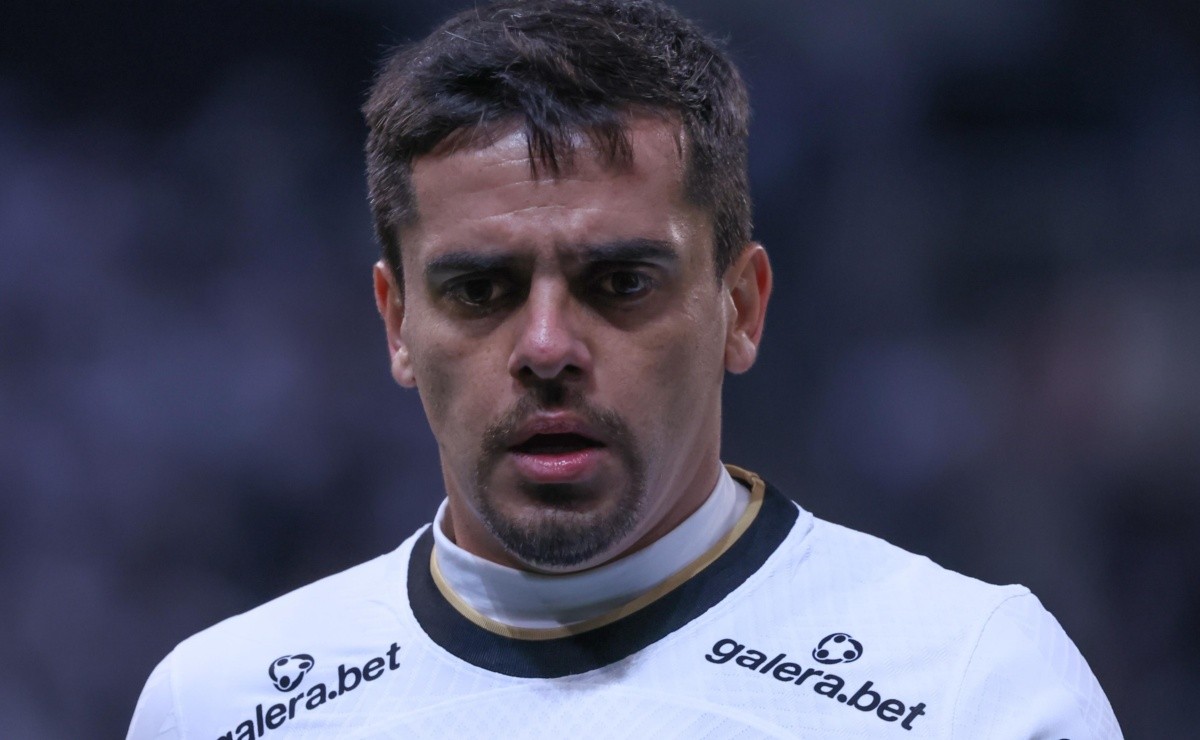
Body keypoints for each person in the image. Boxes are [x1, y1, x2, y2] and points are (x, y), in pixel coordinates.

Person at [127, 1, 1121, 737]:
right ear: (396, 323)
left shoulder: (968, 685)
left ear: (741, 308)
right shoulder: (219, 705)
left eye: (619, 282)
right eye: (480, 288)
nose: (546, 346)